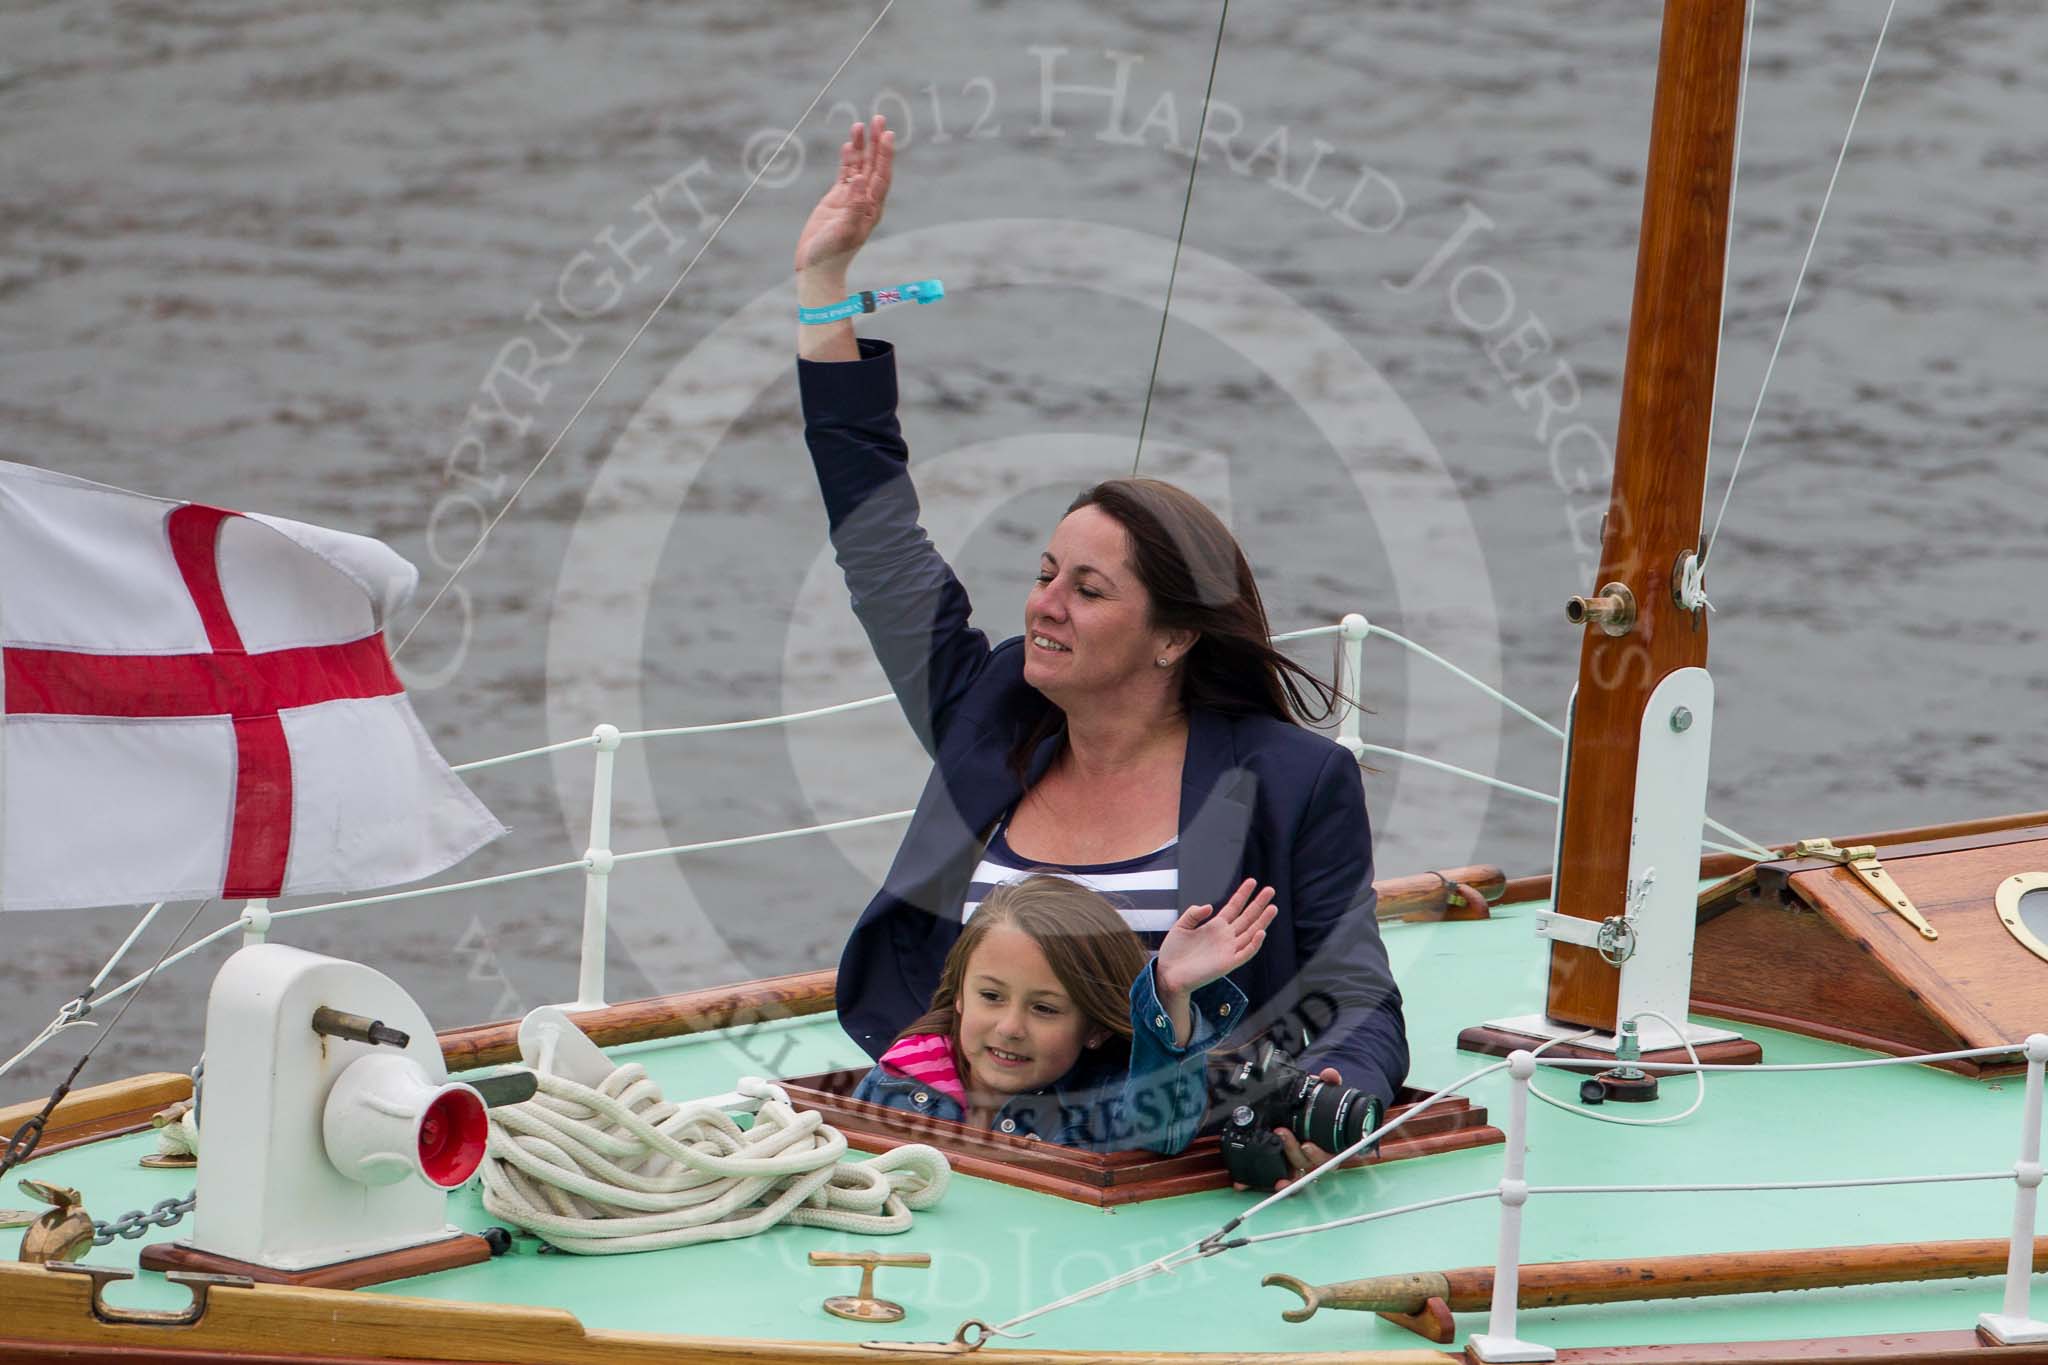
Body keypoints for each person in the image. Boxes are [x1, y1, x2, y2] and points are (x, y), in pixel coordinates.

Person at [796, 117, 1408, 1187]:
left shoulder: (1293, 778)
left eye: (1088, 590)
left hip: (1159, 1158)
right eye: (1042, 575)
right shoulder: (987, 710)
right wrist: (824, 286)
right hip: (956, 1140)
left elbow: (1354, 999)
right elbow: (878, 544)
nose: (1045, 608)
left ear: (1173, 634)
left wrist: (1334, 1095)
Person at [852, 873, 1270, 1152]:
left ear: (1094, 1028)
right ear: (959, 996)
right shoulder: (897, 1079)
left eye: (1044, 1009)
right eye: (991, 996)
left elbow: (1159, 1130)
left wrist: (1170, 993)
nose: (1011, 1027)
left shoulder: (1099, 1106)